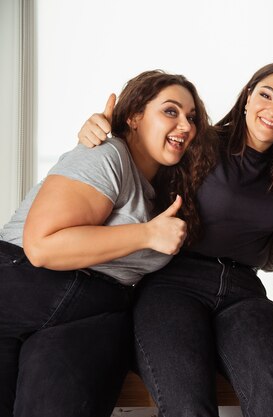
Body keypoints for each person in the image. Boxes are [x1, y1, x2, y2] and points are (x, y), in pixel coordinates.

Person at [78, 61, 273, 417]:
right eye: (266, 94)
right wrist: (101, 131)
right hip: (173, 284)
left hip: (243, 291)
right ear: (247, 98)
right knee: (188, 407)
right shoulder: (196, 142)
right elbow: (139, 156)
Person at [0, 70, 208, 417]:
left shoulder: (169, 189)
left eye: (192, 117)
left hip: (94, 314)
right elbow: (42, 247)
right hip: (24, 287)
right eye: (171, 111)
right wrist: (147, 235)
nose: (185, 125)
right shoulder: (107, 154)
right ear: (134, 116)